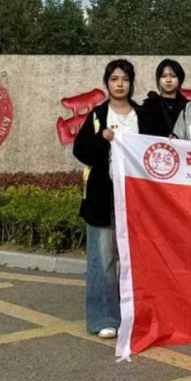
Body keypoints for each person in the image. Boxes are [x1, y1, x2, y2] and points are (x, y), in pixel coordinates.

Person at [73, 59, 145, 339]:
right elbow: (80, 150)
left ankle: (136, 316)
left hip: (138, 200)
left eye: (125, 79)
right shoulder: (97, 115)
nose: (120, 84)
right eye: (114, 79)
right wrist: (101, 139)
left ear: (131, 83)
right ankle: (104, 318)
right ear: (107, 83)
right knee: (103, 260)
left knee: (136, 260)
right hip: (103, 198)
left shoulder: (143, 115)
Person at [140, 58, 188, 137]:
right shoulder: (149, 105)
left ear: (180, 79)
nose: (168, 80)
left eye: (173, 76)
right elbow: (143, 135)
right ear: (158, 80)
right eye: (163, 76)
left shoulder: (188, 107)